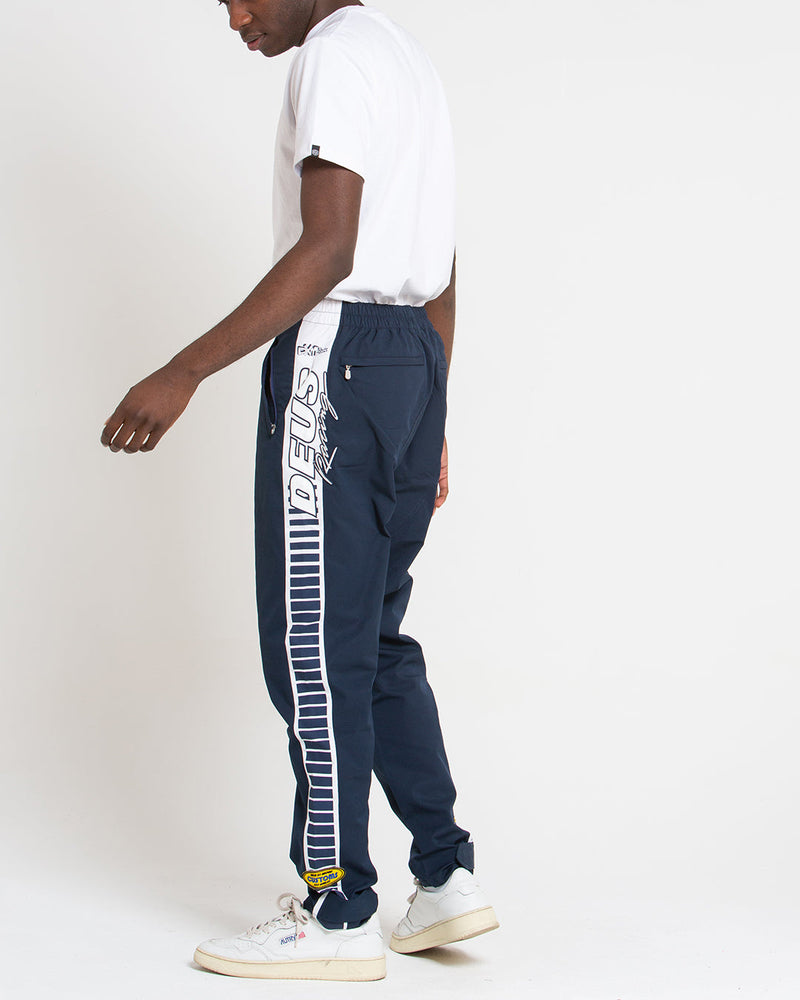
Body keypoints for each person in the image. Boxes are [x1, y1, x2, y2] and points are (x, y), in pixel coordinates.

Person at [100, 0, 498, 982]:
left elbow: (329, 248)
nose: (233, 15)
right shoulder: (405, 59)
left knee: (315, 650)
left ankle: (336, 908)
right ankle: (444, 876)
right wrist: (432, 409)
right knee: (371, 638)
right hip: (410, 359)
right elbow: (440, 258)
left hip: (337, 358)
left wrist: (184, 370)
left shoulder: (332, 55)